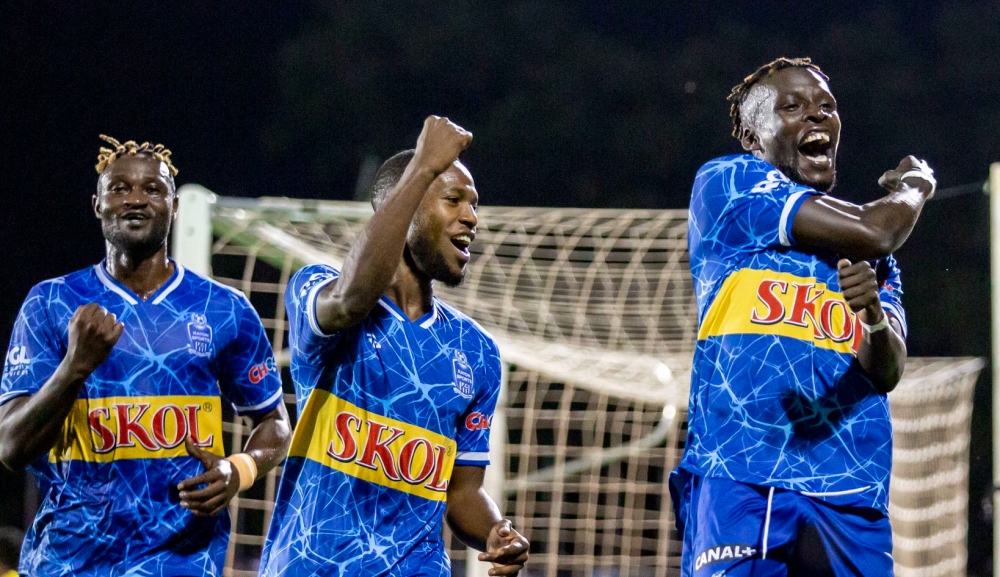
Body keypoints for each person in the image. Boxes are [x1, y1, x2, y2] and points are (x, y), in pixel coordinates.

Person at [669, 57, 936, 576]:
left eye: (827, 107)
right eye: (792, 106)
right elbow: (878, 226)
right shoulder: (728, 184)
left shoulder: (874, 261)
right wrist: (915, 185)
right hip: (744, 472)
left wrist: (875, 320)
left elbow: (888, 371)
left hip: (850, 490)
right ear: (752, 133)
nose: (817, 116)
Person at [0, 136, 292, 576]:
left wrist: (241, 470)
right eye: (119, 189)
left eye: (153, 189)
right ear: (97, 205)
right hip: (69, 561)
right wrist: (75, 368)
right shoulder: (52, 303)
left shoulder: (224, 308)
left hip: (183, 562)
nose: (136, 199)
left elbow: (276, 425)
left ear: (174, 206)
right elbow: (11, 447)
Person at [259, 116, 529, 576]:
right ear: (401, 204)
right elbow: (350, 300)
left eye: (475, 206)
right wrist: (423, 164)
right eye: (454, 199)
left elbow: (462, 491)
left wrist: (495, 532)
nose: (471, 218)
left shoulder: (476, 351)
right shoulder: (317, 289)